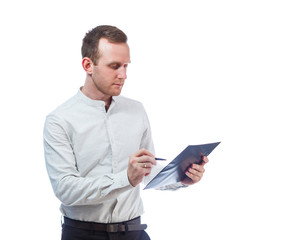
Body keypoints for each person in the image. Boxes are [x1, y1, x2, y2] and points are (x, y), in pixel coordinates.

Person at [43, 25, 208, 240]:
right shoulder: (60, 120)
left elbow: (146, 173)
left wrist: (180, 177)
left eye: (125, 66)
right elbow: (65, 189)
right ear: (88, 65)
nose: (123, 75)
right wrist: (126, 179)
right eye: (114, 66)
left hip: (134, 232)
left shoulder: (136, 110)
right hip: (83, 235)